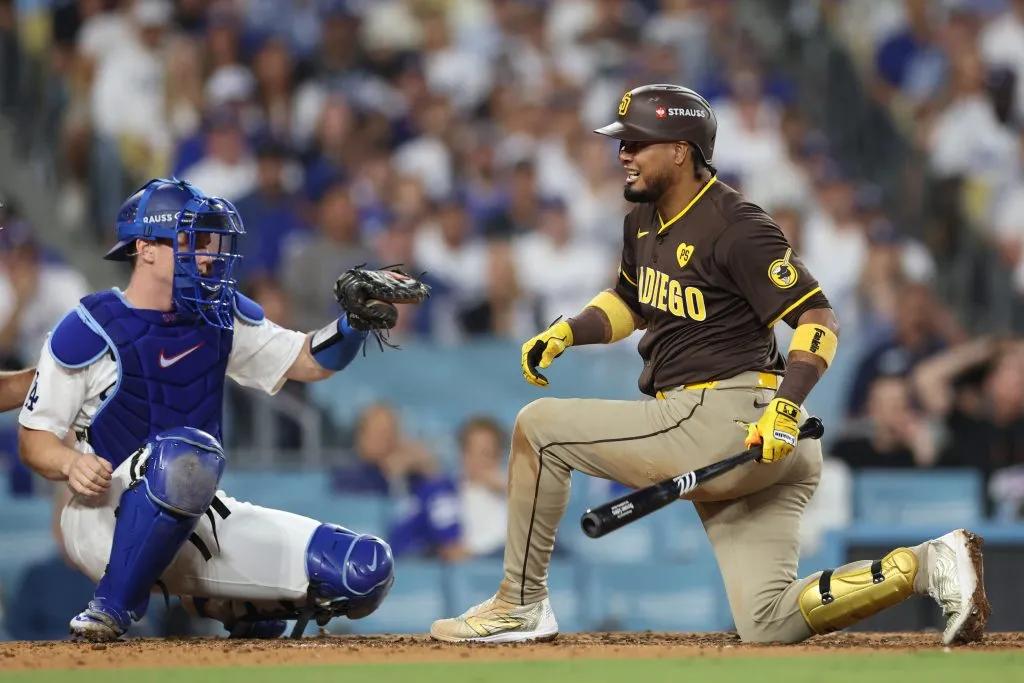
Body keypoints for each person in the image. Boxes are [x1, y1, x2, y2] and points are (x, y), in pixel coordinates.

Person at [429, 85, 989, 646]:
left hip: (727, 416)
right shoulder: (642, 219)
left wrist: (787, 408)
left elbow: (819, 319)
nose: (623, 153)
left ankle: (519, 603)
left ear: (680, 149)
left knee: (539, 427)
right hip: (752, 441)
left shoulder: (735, 223)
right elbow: (632, 301)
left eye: (636, 142)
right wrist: (568, 331)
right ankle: (926, 565)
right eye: (621, 142)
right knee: (767, 621)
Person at [17, 177, 426, 642]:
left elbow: (306, 359)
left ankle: (236, 606)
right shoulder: (88, 326)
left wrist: (352, 324)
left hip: (197, 509)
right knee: (185, 456)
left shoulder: (218, 312)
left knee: (363, 569)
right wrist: (71, 462)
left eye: (209, 240)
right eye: (191, 240)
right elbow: (34, 441)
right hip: (101, 515)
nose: (208, 253)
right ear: (146, 249)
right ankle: (111, 606)